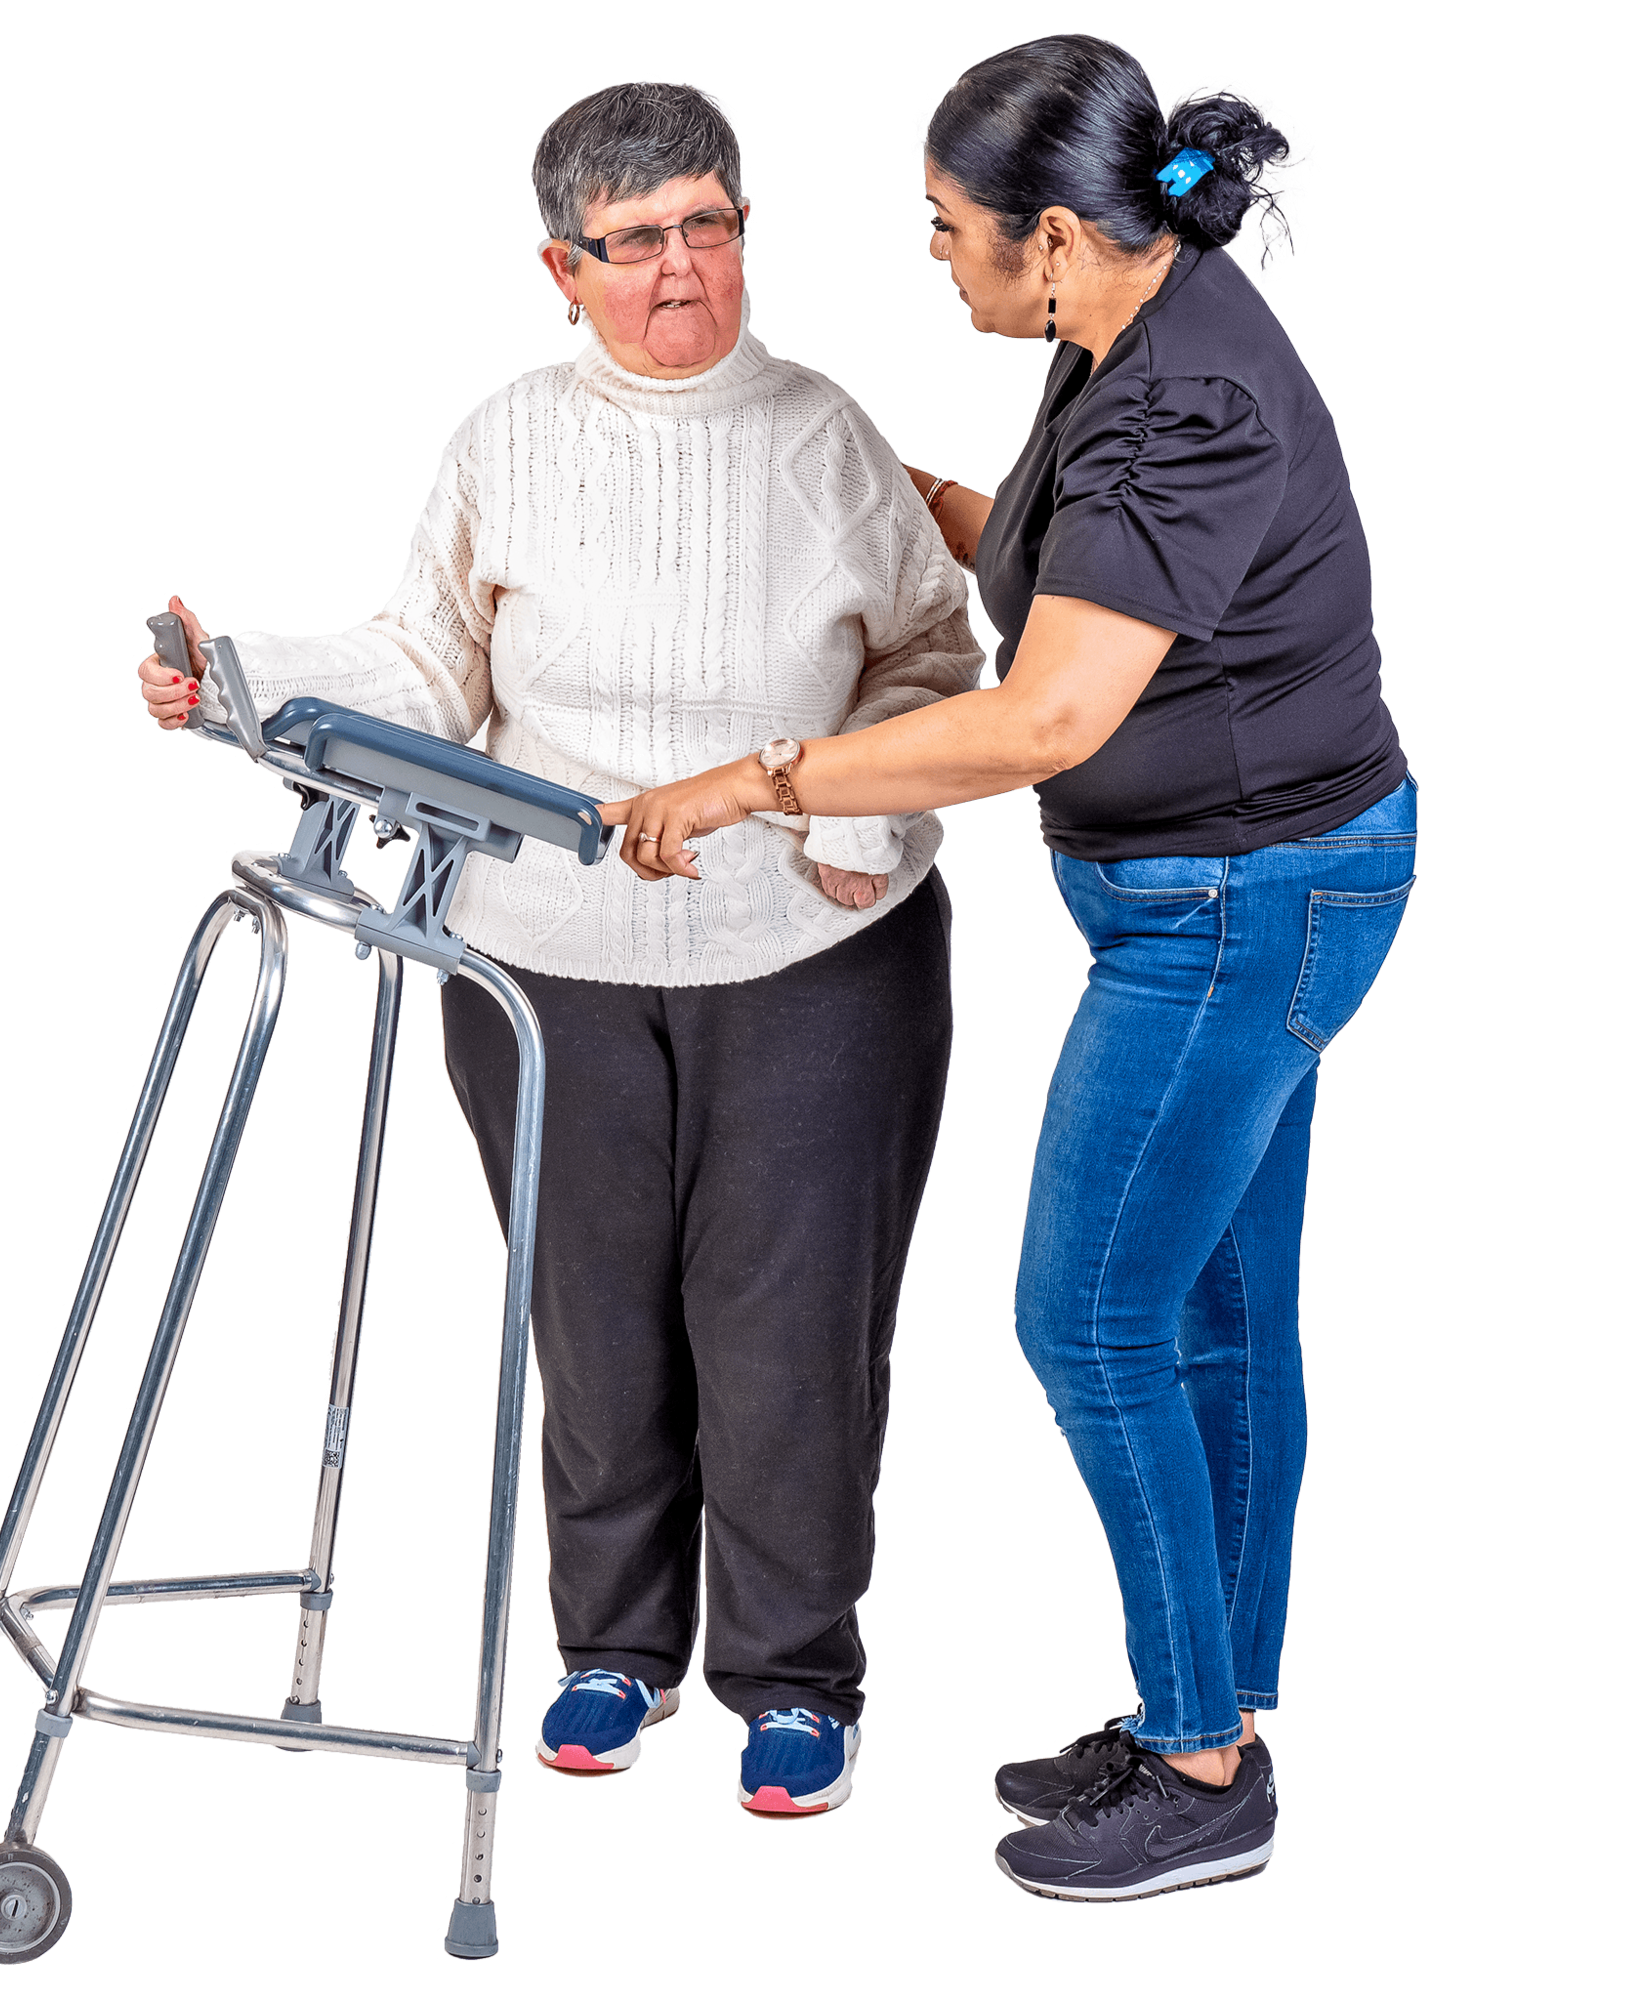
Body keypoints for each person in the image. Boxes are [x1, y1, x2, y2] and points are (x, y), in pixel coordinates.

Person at [598, 36, 1415, 1900]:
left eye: (953, 231)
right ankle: (1216, 1705)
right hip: (1258, 887)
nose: (937, 258)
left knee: (1093, 1321)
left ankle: (1202, 1774)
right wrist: (845, 470)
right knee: (1211, 1315)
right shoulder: (1129, 321)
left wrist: (759, 779)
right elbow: (1052, 565)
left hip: (1238, 910)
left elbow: (1044, 711)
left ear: (1055, 236)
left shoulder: (1180, 401)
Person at [132, 77, 983, 1821]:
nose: (680, 268)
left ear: (745, 231)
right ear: (561, 267)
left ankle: (793, 1678)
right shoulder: (506, 436)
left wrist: (848, 816)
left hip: (813, 956)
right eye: (637, 241)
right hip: (543, 955)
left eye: (708, 225)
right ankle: (611, 1649)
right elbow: (432, 663)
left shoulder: (826, 430)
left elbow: (940, 654)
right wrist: (245, 683)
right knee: (589, 1323)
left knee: (795, 1327)